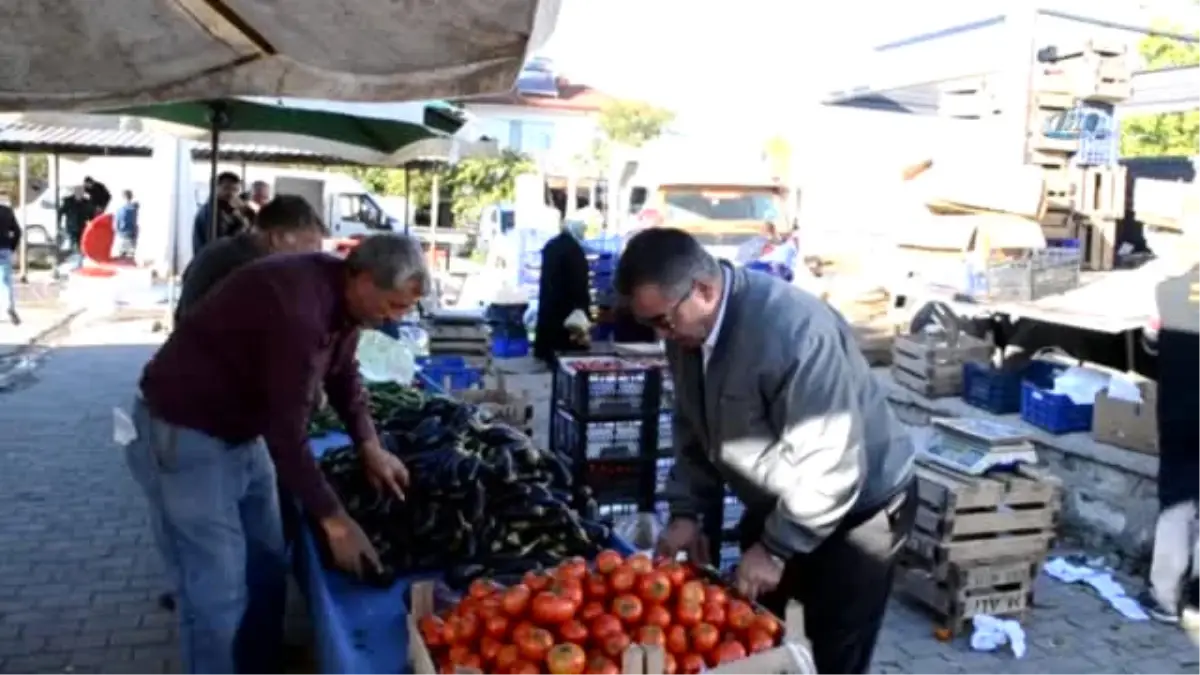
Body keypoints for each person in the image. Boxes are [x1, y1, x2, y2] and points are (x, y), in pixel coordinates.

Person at [615, 227, 917, 675]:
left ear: (703, 289)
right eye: (651, 324)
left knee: (829, 654)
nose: (661, 334)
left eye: (663, 321)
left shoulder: (793, 332)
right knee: (767, 640)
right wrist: (686, 512)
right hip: (784, 498)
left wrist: (775, 548)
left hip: (858, 511)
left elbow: (831, 465)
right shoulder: (688, 335)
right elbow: (692, 427)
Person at [126, 234, 427, 674]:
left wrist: (370, 445)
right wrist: (336, 521)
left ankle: (259, 664)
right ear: (362, 278)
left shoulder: (343, 302)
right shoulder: (298, 310)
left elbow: (343, 373)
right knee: (217, 592)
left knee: (266, 563)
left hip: (242, 432)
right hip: (187, 435)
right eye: (393, 304)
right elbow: (286, 435)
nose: (393, 318)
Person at [1139, 251, 1200, 627]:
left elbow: (1149, 348)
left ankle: (1164, 597)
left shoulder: (1166, 291)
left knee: (1177, 499)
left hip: (1179, 415)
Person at [175, 194, 326, 325]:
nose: (312, 259)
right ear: (278, 238)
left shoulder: (221, 249)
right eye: (310, 248)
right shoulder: (252, 269)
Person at [533, 220, 591, 363]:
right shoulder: (575, 250)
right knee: (567, 332)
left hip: (549, 298)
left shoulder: (551, 245)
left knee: (550, 327)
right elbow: (579, 280)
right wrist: (582, 304)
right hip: (568, 301)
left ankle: (545, 352)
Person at [193, 171, 247, 255]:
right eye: (226, 188)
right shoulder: (212, 212)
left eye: (235, 190)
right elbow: (220, 242)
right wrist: (240, 222)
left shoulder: (227, 211)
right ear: (216, 188)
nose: (231, 193)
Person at [0, 201, 20, 325]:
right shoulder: (7, 211)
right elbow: (17, 232)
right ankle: (9, 306)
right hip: (4, 248)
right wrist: (11, 247)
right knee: (6, 280)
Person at [59, 186, 94, 253]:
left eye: (81, 192)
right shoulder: (68, 201)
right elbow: (60, 212)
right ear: (75, 192)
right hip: (71, 226)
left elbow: (90, 214)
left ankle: (79, 254)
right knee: (72, 242)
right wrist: (59, 223)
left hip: (82, 226)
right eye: (78, 192)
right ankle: (73, 252)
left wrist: (91, 224)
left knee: (81, 243)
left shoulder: (86, 202)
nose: (80, 193)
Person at [112, 190, 139, 260]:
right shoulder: (135, 209)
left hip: (123, 234)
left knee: (122, 256)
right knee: (130, 256)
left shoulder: (121, 209)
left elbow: (116, 224)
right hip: (132, 234)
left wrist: (116, 231)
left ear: (123, 197)